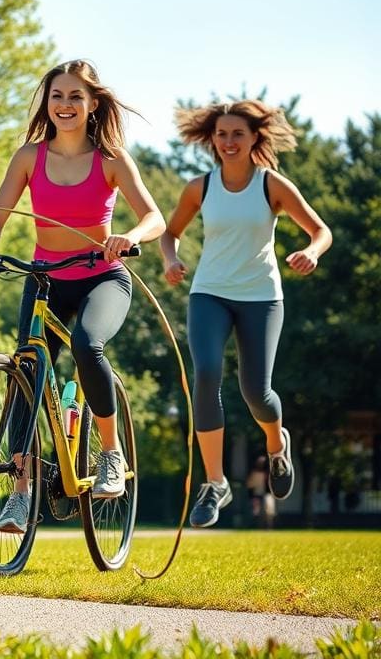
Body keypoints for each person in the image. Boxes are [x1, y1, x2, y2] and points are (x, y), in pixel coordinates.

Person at [0, 59, 165, 533]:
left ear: (93, 103)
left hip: (102, 278)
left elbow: (153, 216)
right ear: (47, 103)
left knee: (86, 344)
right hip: (45, 279)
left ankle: (110, 454)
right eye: (57, 96)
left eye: (76, 96)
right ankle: (21, 491)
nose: (65, 105)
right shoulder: (29, 157)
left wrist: (131, 236)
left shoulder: (111, 158)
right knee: (26, 371)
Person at [159, 99, 332, 528]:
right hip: (209, 294)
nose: (229, 141)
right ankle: (215, 482)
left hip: (261, 297)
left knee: (257, 391)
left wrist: (311, 251)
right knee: (206, 374)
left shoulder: (271, 185)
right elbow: (170, 233)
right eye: (221, 134)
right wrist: (170, 260)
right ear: (212, 139)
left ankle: (277, 445)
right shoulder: (200, 187)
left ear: (255, 137)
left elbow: (320, 230)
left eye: (238, 133)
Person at [246, 455, 276, 529]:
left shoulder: (269, 472)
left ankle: (269, 527)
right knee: (256, 511)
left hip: (268, 493)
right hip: (257, 494)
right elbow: (249, 484)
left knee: (269, 511)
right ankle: (256, 526)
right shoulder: (254, 473)